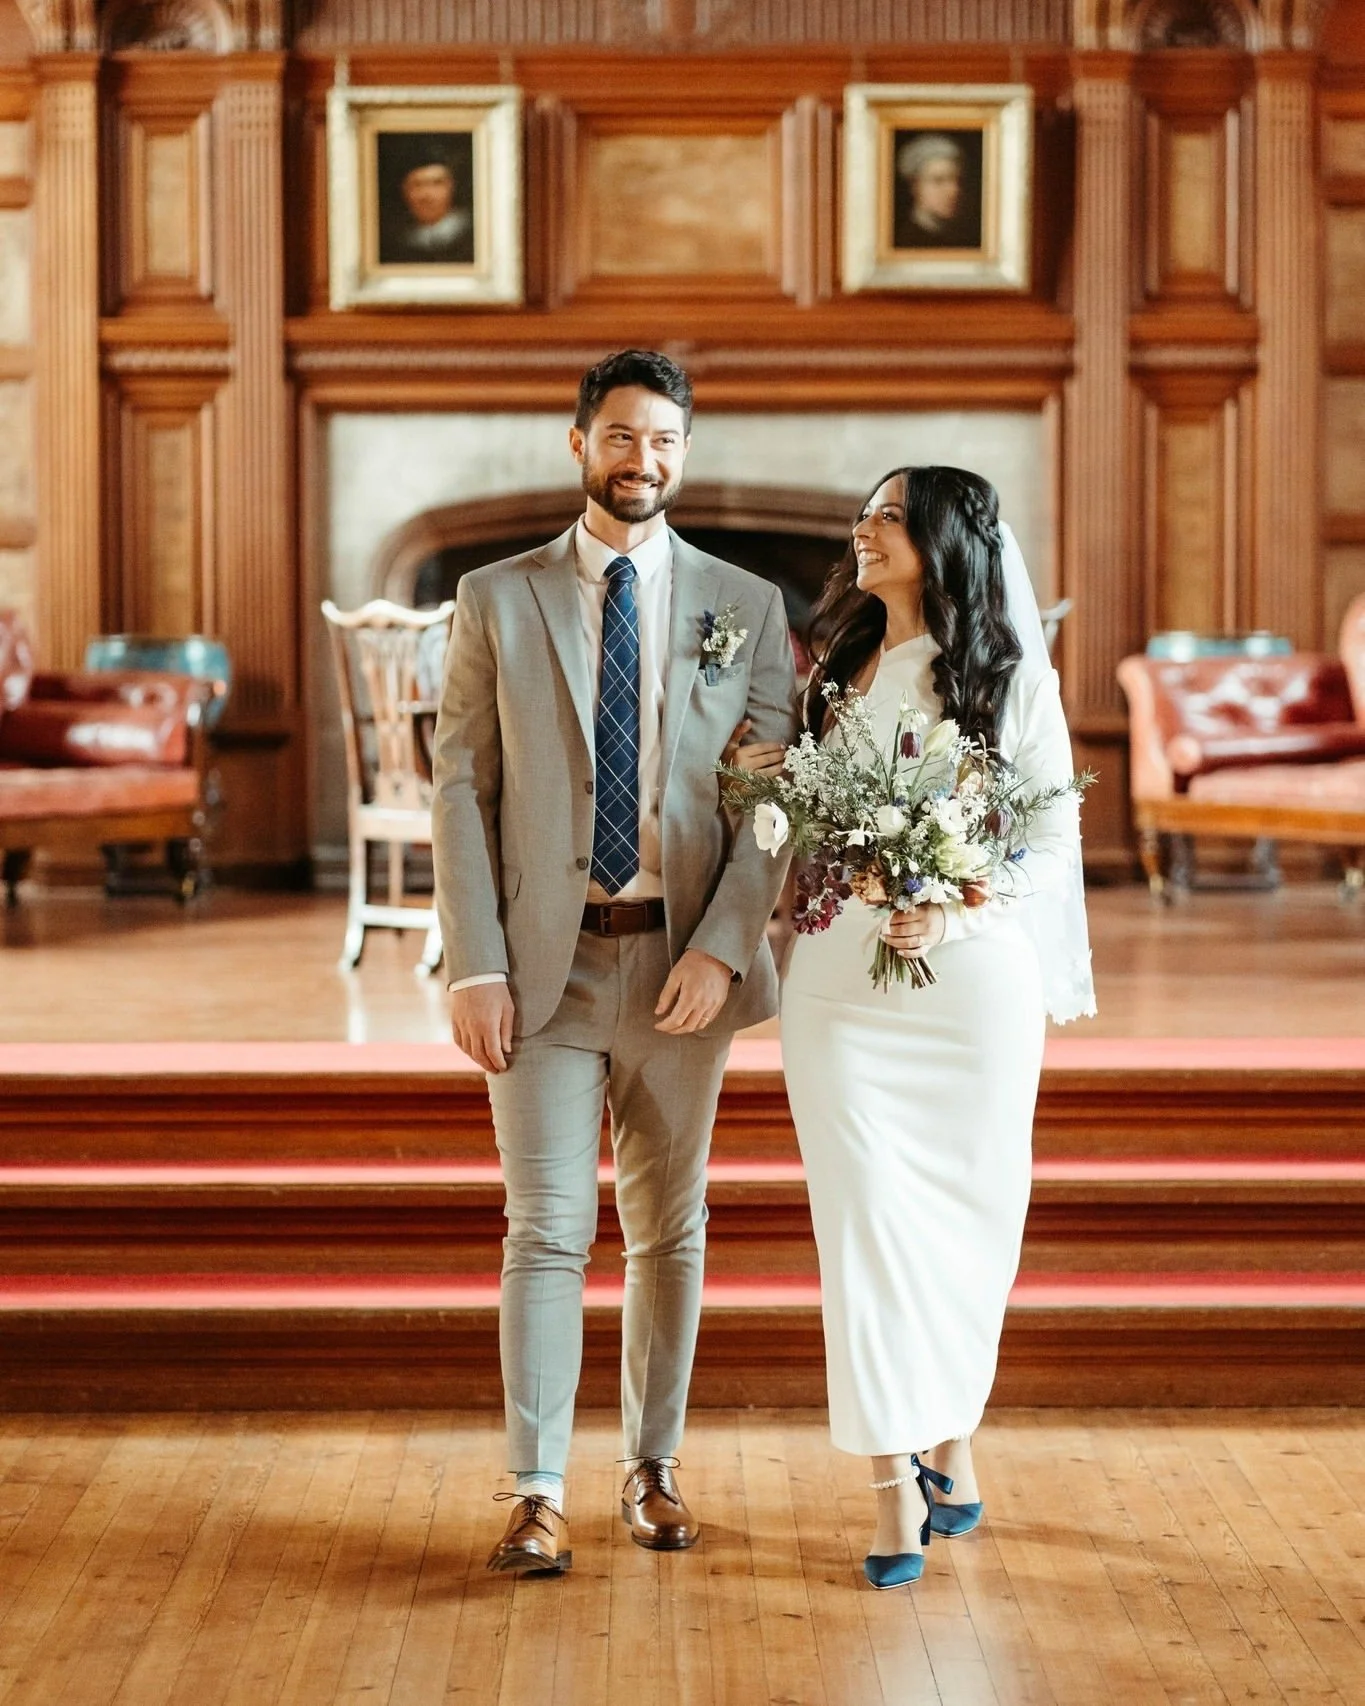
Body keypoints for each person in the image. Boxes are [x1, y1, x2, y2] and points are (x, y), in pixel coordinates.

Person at [431, 349, 798, 1577]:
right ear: (578, 440)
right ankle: (537, 1488)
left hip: (681, 969)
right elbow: (460, 786)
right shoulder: (495, 596)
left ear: (685, 454)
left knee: (669, 1227)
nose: (646, 460)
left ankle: (653, 1464)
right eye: (625, 436)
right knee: (543, 1227)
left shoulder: (744, 606)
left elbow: (770, 805)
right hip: (540, 970)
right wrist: (472, 962)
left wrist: (724, 944)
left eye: (668, 442)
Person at [730, 465, 1094, 1590]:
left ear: (946, 541)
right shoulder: (836, 666)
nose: (864, 529)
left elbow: (1046, 832)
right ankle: (892, 1476)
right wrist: (775, 779)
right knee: (866, 1227)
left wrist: (957, 896)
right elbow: (816, 829)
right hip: (842, 987)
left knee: (970, 1228)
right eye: (866, 514)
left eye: (890, 515)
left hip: (973, 988)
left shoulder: (1007, 678)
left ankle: (952, 1436)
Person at [380, 143, 474, 264]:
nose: (427, 195)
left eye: (437, 183)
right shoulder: (393, 242)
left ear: (453, 187)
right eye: (417, 184)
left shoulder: (471, 234)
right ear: (404, 191)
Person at [894, 133, 979, 249]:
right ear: (914, 186)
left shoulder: (964, 239)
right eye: (938, 180)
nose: (953, 191)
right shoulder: (904, 241)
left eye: (957, 180)